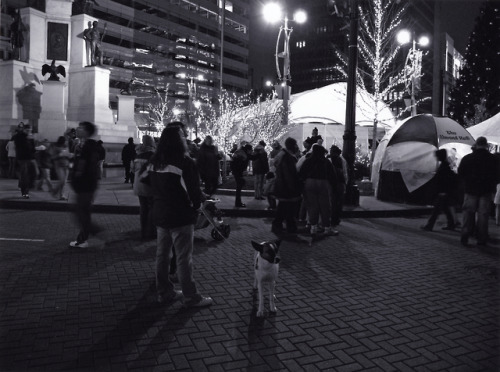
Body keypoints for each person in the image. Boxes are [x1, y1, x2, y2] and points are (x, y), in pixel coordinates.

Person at [147, 125, 212, 307]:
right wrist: (198, 205)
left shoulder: (155, 161)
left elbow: (148, 182)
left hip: (161, 213)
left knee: (162, 255)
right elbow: (193, 191)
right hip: (180, 215)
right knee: (184, 258)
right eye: (183, 135)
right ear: (179, 140)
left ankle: (164, 292)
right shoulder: (185, 162)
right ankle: (191, 297)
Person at [458, 137, 499, 246]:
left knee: (468, 213)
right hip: (485, 191)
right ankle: (481, 238)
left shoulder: (467, 158)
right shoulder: (493, 159)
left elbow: (460, 172)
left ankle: (465, 235)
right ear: (486, 145)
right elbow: (497, 175)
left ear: (476, 144)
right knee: (483, 216)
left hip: (470, 189)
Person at [69, 121, 100, 248]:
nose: (77, 129)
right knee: (83, 212)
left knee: (80, 212)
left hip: (85, 184)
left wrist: (77, 175)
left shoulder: (89, 146)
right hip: (85, 184)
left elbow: (86, 165)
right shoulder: (84, 145)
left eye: (81, 128)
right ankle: (83, 238)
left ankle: (96, 233)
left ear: (87, 131)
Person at [299, 144, 339, 237]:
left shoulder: (308, 161)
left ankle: (313, 227)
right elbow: (332, 175)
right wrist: (334, 187)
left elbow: (302, 173)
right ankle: (326, 228)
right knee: (325, 206)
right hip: (323, 183)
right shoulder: (325, 162)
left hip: (309, 182)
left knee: (312, 206)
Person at [420, 149, 457, 231]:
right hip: (444, 191)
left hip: (442, 192)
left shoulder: (443, 167)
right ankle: (451, 224)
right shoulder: (446, 166)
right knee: (445, 208)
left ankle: (430, 225)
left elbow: (442, 180)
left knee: (436, 210)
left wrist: (441, 191)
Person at [272, 137, 302, 234]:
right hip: (286, 188)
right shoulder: (287, 158)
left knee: (284, 207)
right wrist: (293, 187)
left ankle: (283, 225)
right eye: (296, 144)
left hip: (283, 186)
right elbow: (288, 174)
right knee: (287, 207)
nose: (297, 146)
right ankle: (288, 225)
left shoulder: (284, 156)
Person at [132, 135, 156, 240]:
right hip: (148, 183)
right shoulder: (152, 155)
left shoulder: (138, 155)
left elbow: (132, 169)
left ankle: (143, 231)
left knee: (143, 207)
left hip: (138, 183)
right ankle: (150, 232)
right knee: (151, 207)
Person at [13, 122, 36, 198]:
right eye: (28, 130)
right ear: (24, 130)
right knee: (25, 176)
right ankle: (25, 192)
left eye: (30, 130)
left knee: (35, 173)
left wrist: (37, 148)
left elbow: (32, 149)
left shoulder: (30, 137)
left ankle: (29, 187)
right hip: (22, 158)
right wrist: (27, 138)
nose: (29, 131)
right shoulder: (18, 136)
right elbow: (20, 147)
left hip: (30, 158)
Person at [230, 142, 254, 208]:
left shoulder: (241, 152)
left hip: (236, 171)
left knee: (239, 186)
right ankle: (238, 203)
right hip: (237, 172)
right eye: (250, 150)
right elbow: (239, 163)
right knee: (239, 186)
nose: (251, 151)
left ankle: (238, 202)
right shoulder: (243, 154)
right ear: (248, 150)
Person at [329, 145, 348, 227]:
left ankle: (333, 219)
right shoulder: (342, 160)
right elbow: (345, 173)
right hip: (340, 183)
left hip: (333, 183)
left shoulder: (330, 159)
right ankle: (336, 219)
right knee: (338, 203)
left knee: (333, 202)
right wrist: (345, 183)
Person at [51, 136, 71, 200]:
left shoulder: (66, 146)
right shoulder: (55, 147)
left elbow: (68, 155)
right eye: (65, 141)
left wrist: (69, 155)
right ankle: (55, 191)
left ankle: (61, 195)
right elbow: (53, 157)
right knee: (61, 181)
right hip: (59, 165)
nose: (66, 142)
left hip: (66, 165)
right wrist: (60, 155)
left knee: (64, 182)